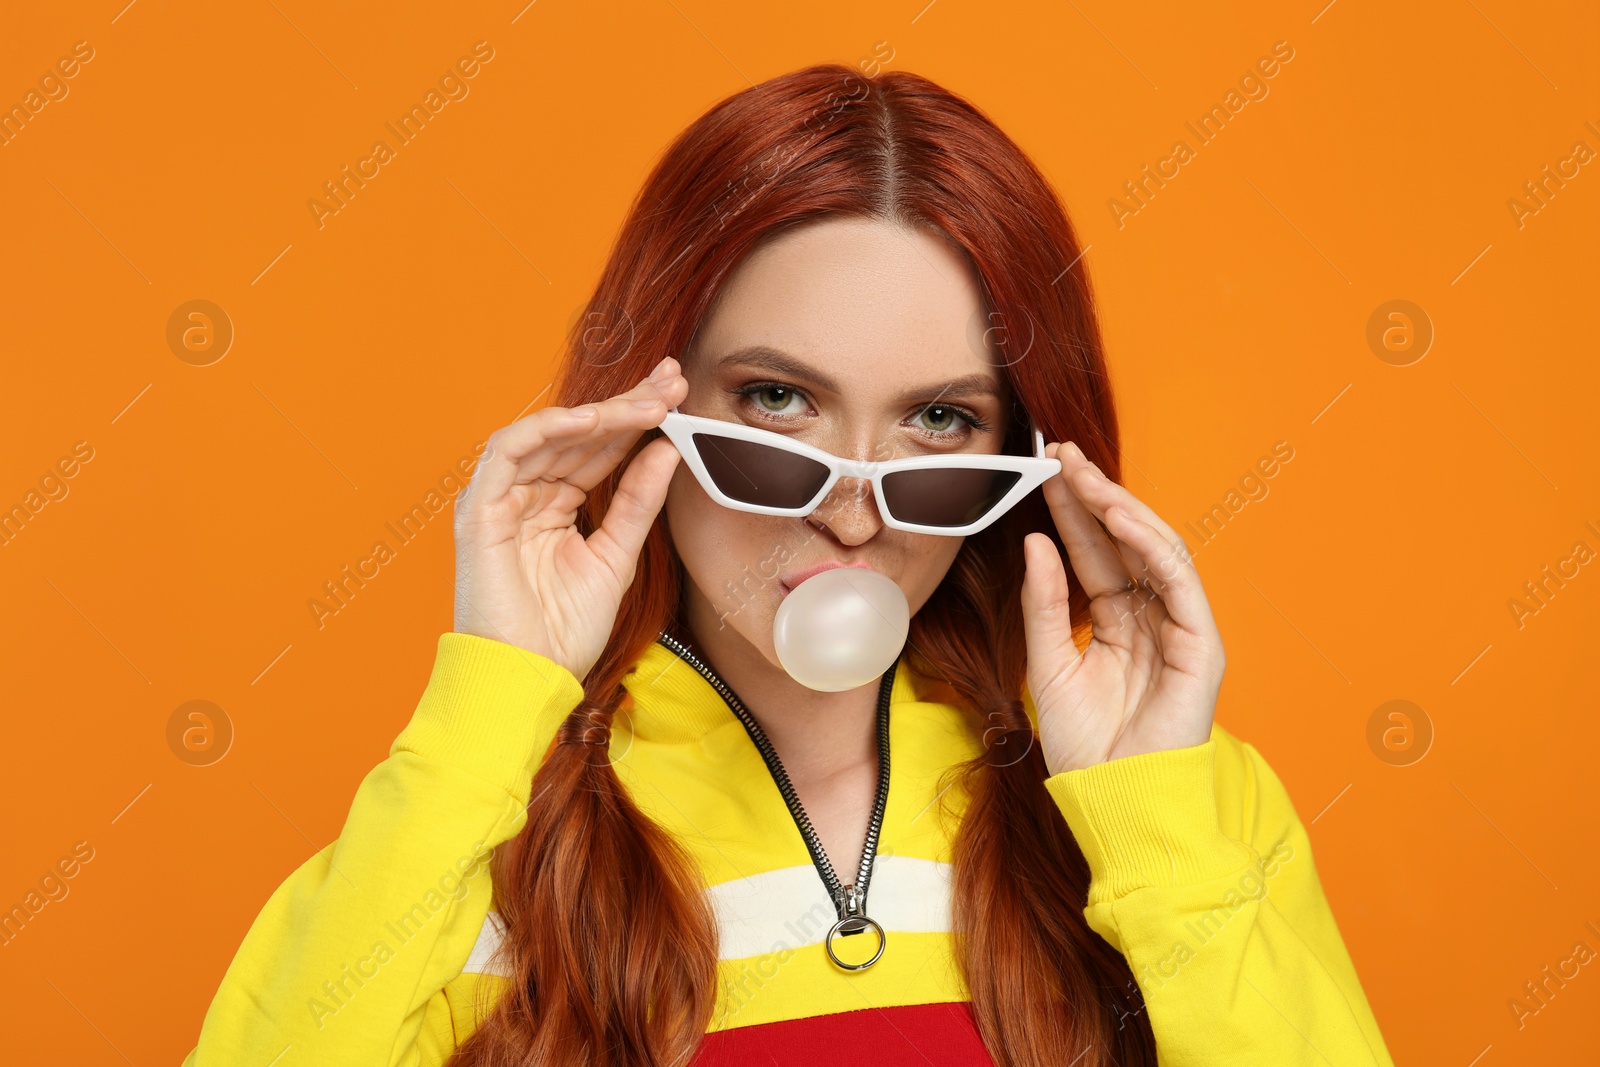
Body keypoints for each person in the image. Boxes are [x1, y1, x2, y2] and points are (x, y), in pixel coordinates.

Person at [182, 64, 1395, 1066]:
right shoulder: (481, 821)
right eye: (776, 401)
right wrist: (490, 695)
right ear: (653, 404)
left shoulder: (1175, 792)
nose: (854, 515)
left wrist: (1159, 822)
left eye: (938, 423)